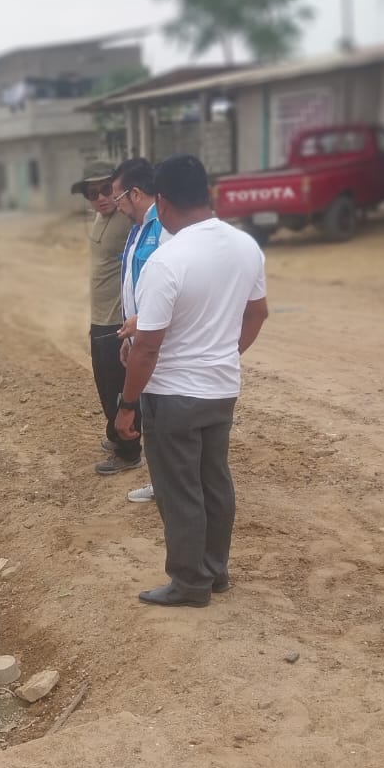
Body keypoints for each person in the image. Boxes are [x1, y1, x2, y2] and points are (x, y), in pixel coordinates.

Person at [113, 154, 268, 607]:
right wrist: (224, 354)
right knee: (214, 483)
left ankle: (189, 583)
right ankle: (215, 572)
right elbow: (257, 313)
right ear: (208, 193)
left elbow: (146, 347)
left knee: (179, 491)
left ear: (161, 201)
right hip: (220, 390)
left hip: (172, 396)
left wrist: (127, 405)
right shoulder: (245, 246)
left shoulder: (168, 259)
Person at [69, 159, 139, 475]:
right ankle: (115, 433)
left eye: (106, 189)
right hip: (99, 317)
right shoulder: (100, 217)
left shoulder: (127, 219)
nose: (100, 198)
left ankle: (129, 452)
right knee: (104, 383)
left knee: (117, 387)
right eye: (92, 193)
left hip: (116, 319)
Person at [108, 157, 167, 494]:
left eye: (118, 197)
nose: (116, 205)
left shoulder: (165, 229)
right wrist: (129, 336)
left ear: (136, 193)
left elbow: (176, 289)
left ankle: (169, 483)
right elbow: (132, 285)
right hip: (140, 337)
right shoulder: (137, 229)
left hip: (161, 341)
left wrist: (143, 324)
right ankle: (161, 480)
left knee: (163, 415)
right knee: (152, 412)